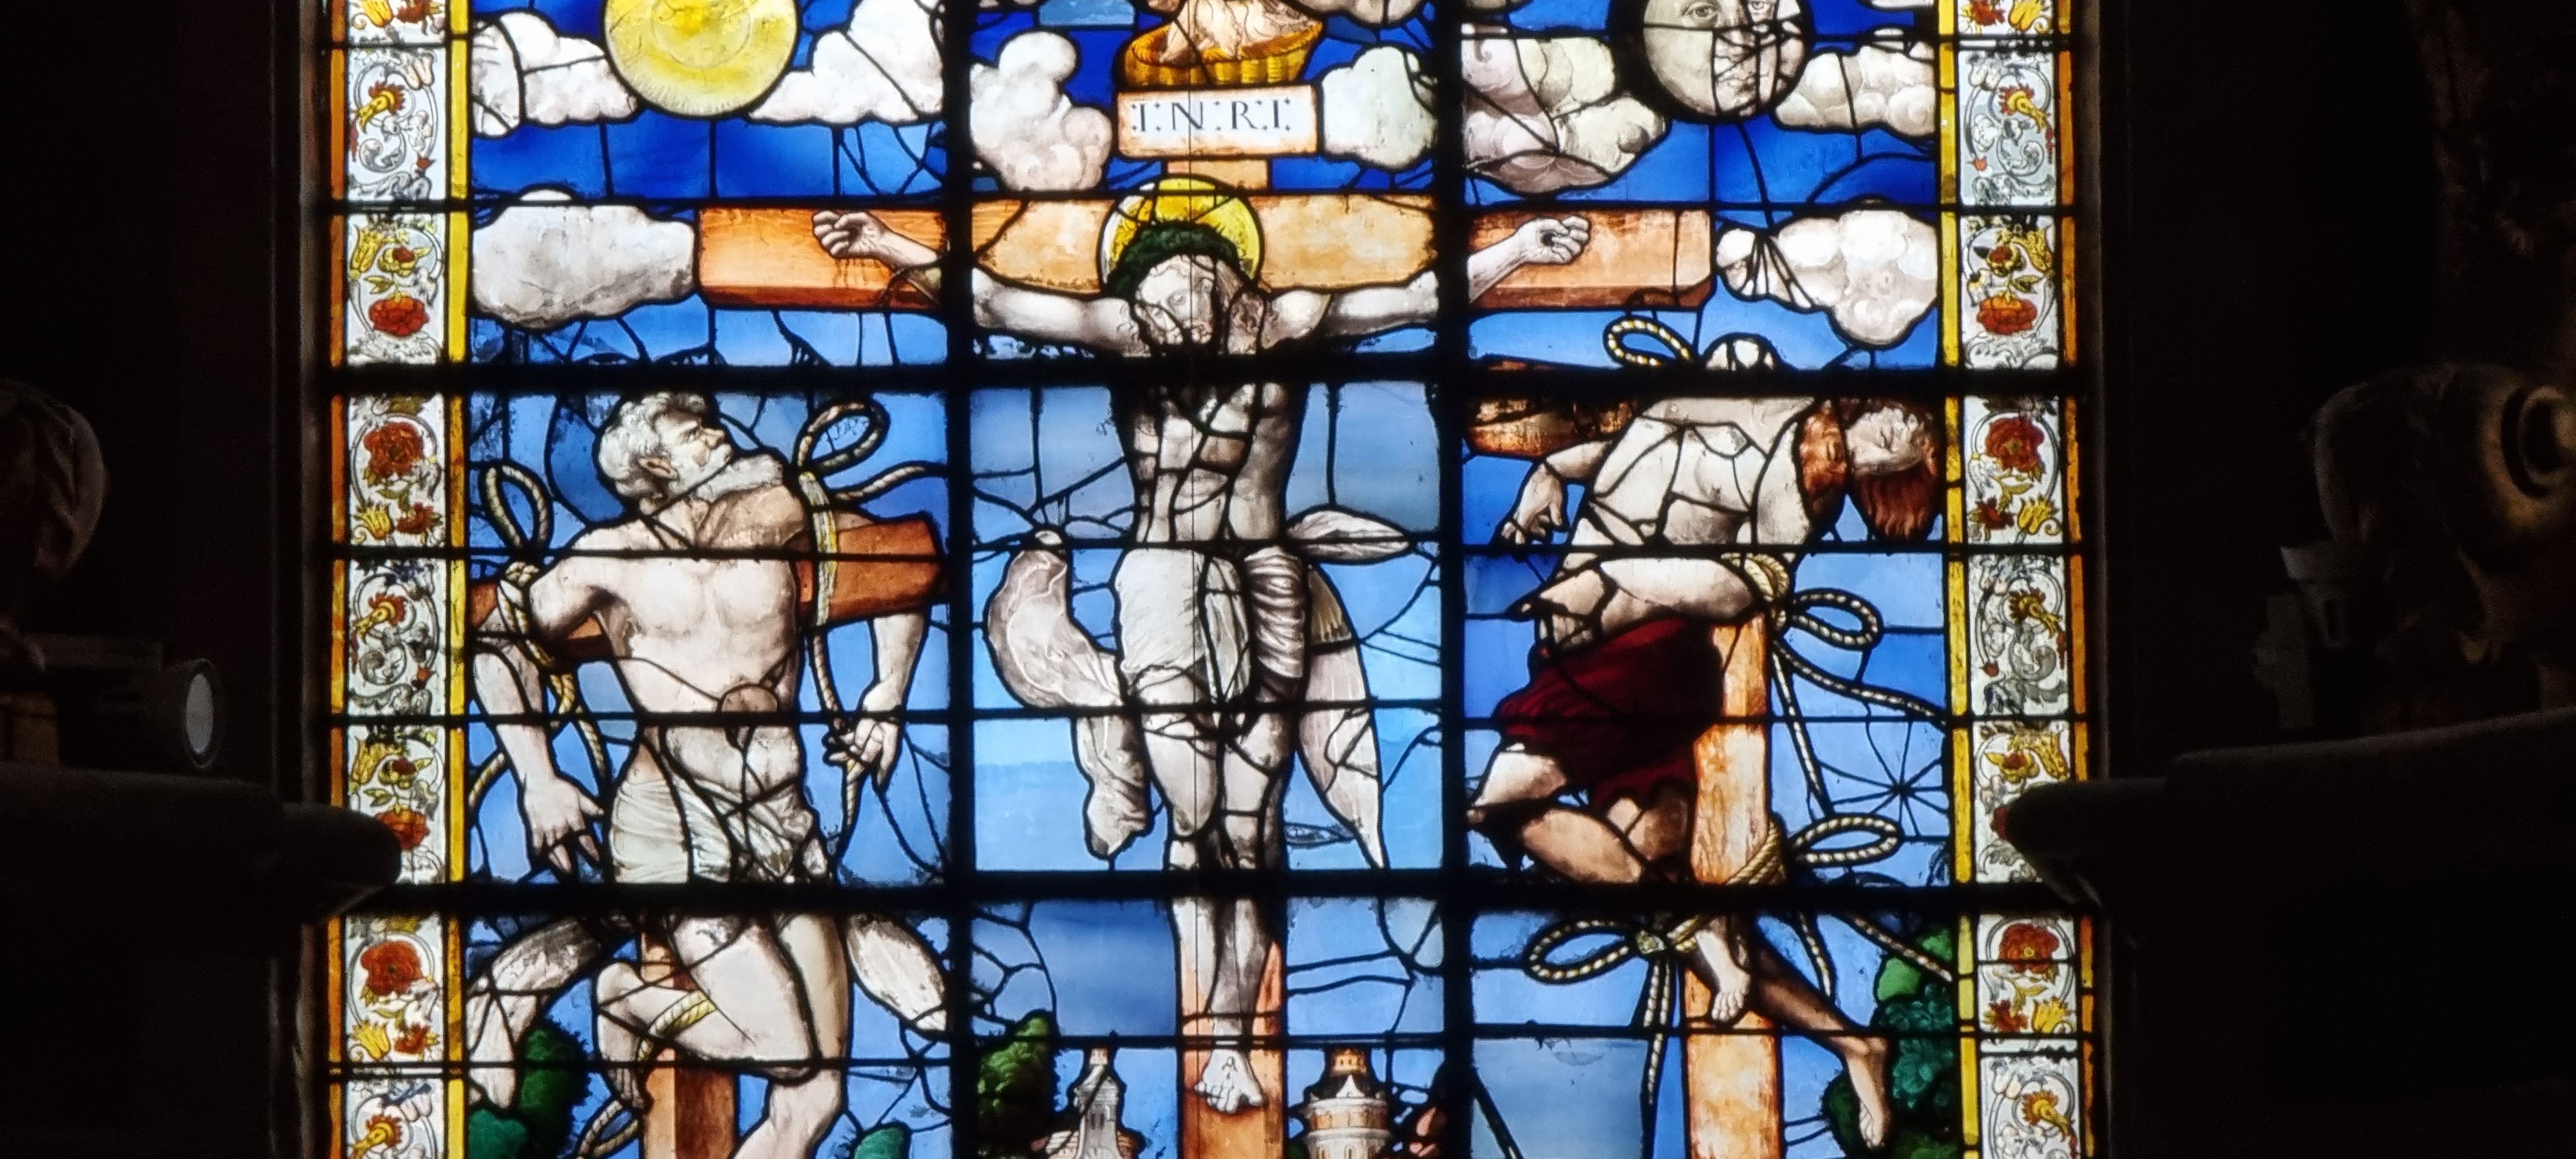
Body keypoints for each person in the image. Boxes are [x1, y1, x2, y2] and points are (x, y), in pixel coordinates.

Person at [815, 202, 1593, 1113]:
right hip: (1160, 579)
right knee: (1194, 822)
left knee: (1253, 828)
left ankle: (1231, 1039)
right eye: (1152, 305)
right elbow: (989, 303)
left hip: (1268, 575)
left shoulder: (1293, 321)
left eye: (1181, 297)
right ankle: (1199, 991)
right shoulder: (1125, 329)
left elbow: (1421, 298)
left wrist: (1517, 249)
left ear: (1215, 272)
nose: (1170, 320)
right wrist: (886, 244)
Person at [467, 391, 944, 1159]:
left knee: (818, 1094)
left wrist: (886, 696)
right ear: (653, 464)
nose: (720, 434)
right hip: (677, 827)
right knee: (786, 1050)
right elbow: (495, 645)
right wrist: (538, 781)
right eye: (696, 431)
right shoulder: (605, 559)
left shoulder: (775, 512)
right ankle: (626, 1002)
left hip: (784, 824)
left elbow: (902, 566)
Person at [1470, 394, 1940, 1150]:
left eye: (1908, 448)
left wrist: (1611, 580)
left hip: (1638, 664)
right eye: (1903, 418)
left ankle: (1704, 938)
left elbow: (1735, 588)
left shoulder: (1799, 500)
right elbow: (1640, 450)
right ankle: (1852, 1042)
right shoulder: (1767, 404)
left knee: (1496, 808)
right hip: (1589, 659)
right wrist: (1552, 472)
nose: (1904, 431)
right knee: (1654, 873)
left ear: (1883, 477)